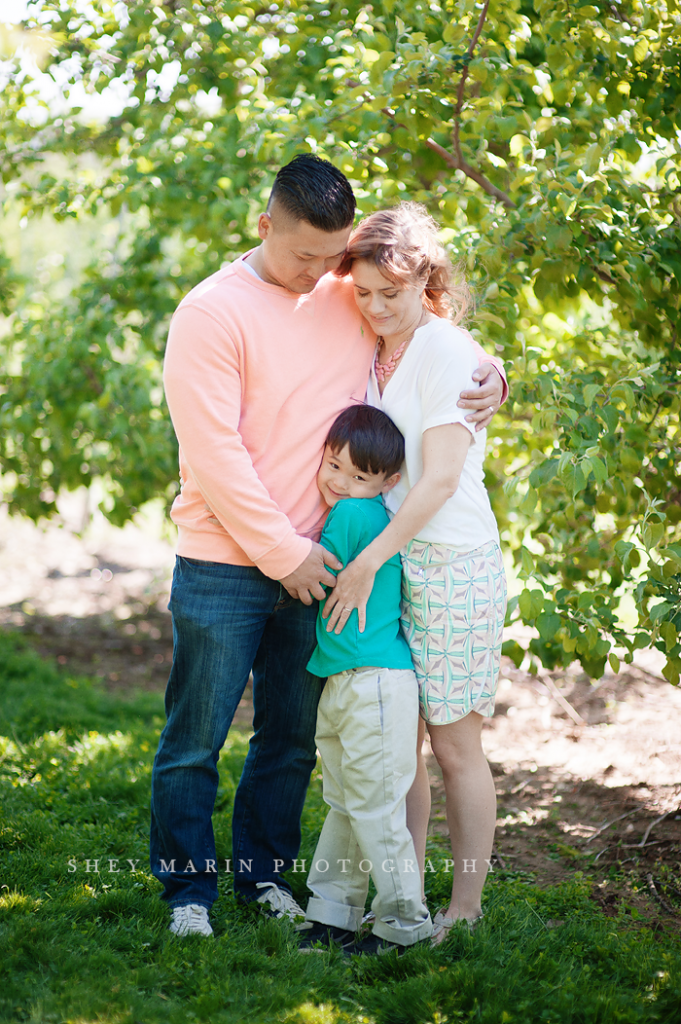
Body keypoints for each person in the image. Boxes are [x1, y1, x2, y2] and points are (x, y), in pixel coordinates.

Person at [153, 155, 506, 938]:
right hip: (227, 560)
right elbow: (214, 454)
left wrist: (494, 376)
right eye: (304, 255)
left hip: (328, 564)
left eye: (331, 256)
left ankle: (265, 878)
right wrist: (284, 554)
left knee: (287, 740)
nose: (322, 273)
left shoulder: (347, 290)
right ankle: (187, 893)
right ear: (263, 225)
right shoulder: (210, 313)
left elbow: (432, 332)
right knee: (194, 740)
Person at [323, 203, 507, 945]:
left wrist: (366, 561)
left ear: (425, 280)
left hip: (450, 562)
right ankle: (401, 896)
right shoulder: (374, 350)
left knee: (455, 743)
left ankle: (465, 908)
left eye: (389, 294)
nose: (373, 307)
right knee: (399, 741)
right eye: (362, 293)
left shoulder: (444, 350)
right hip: (394, 562)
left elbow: (434, 483)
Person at [299, 405, 432, 955]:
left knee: (373, 807)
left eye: (358, 475)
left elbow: (311, 573)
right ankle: (334, 914)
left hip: (371, 685)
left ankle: (405, 927)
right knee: (348, 801)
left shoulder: (354, 516)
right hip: (349, 681)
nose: (340, 483)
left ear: (387, 482)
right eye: (333, 466)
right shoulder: (365, 511)